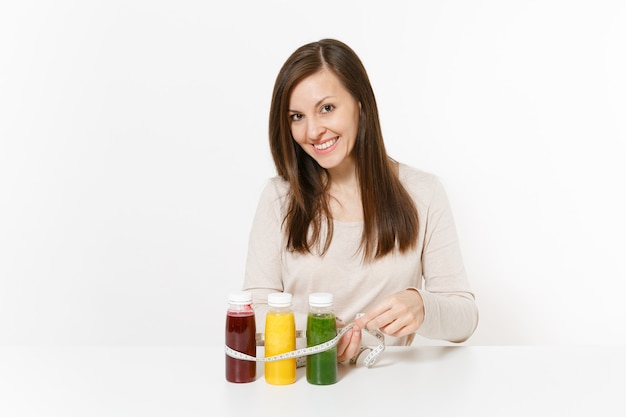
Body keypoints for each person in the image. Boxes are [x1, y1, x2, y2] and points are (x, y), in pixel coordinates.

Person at [243, 38, 478, 363]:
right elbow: (253, 313)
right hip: (304, 389)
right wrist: (315, 333)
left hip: (391, 392)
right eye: (297, 116)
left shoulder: (423, 192)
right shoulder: (280, 198)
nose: (312, 131)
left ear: (360, 104)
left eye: (327, 108)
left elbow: (465, 319)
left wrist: (422, 305)